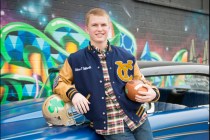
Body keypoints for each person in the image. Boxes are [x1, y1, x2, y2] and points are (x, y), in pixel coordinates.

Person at [53, 7, 160, 140]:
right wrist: (73, 94)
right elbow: (58, 83)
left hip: (138, 118)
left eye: (103, 25)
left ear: (109, 27)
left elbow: (141, 80)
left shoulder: (125, 56)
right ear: (87, 29)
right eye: (94, 25)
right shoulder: (75, 60)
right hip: (110, 126)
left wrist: (153, 93)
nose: (99, 29)